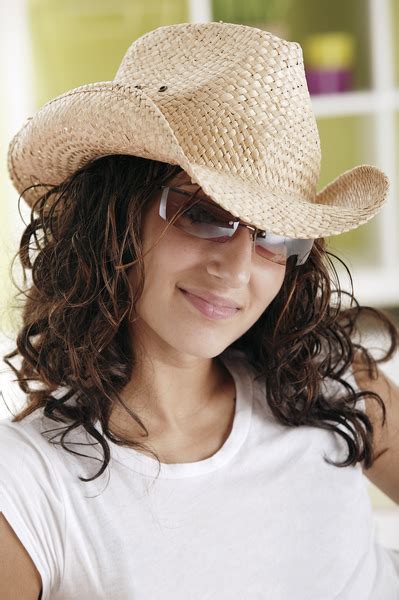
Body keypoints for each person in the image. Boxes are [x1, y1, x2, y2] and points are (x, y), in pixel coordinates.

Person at [1, 20, 398, 600]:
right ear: (115, 218)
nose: (237, 269)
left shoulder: (333, 383)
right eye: (203, 213)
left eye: (277, 235)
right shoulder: (29, 487)